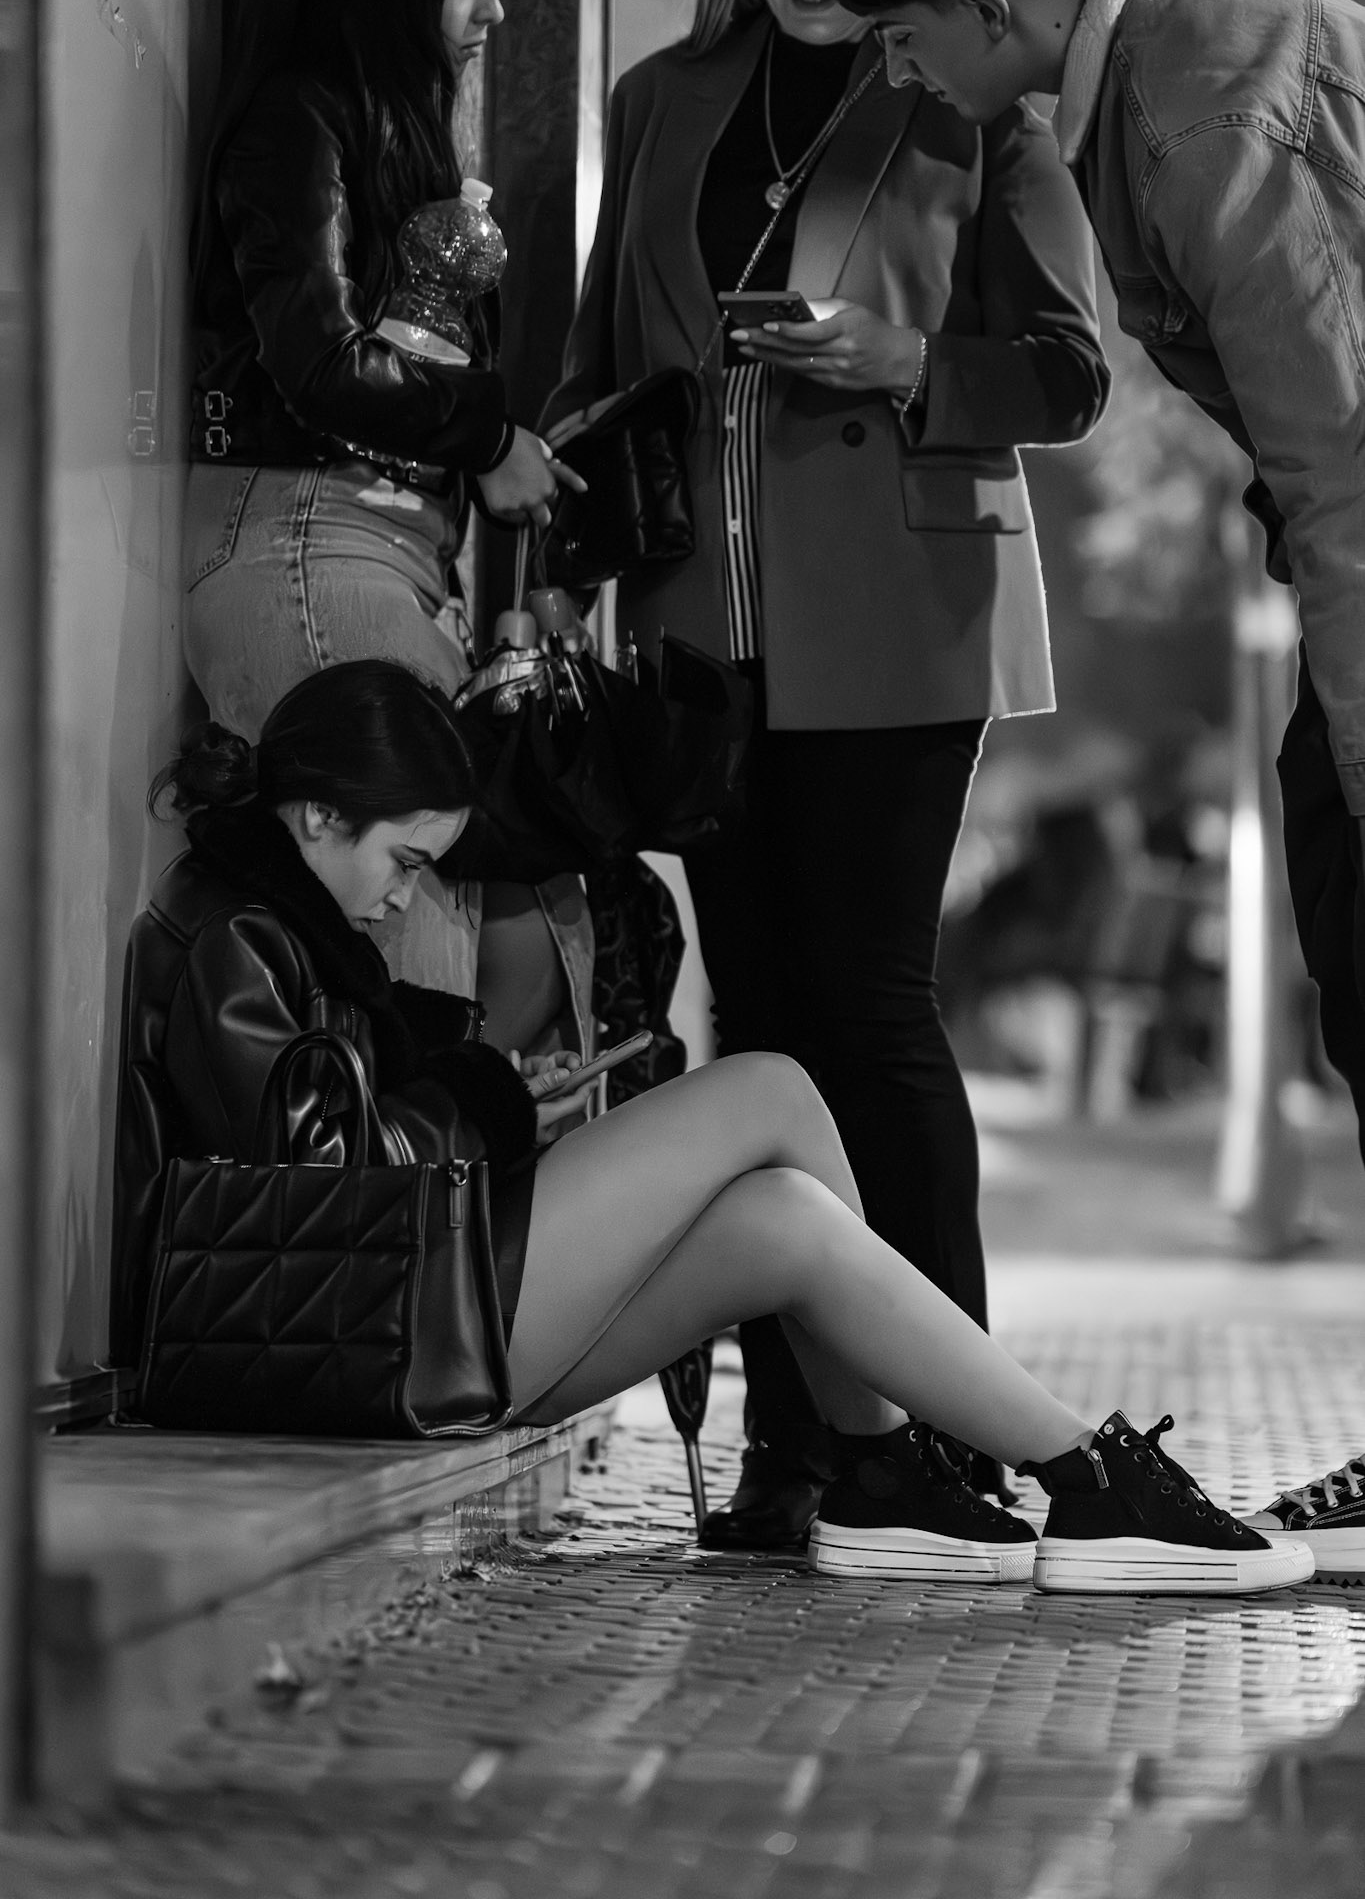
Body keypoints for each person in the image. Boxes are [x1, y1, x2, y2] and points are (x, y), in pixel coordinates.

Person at [111, 659, 1313, 1597]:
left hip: (397, 1322)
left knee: (779, 1218)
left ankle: (898, 1472)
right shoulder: (231, 937)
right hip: (370, 1330)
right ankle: (1062, 1470)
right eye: (404, 858)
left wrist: (486, 1092)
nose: (402, 895)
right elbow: (323, 1195)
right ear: (319, 816)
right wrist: (479, 1096)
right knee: (770, 1088)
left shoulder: (271, 916)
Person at [542, 0, 1109, 1548]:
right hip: (701, 633)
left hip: (901, 621)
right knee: (758, 1031)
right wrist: (562, 557)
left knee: (869, 1012)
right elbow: (593, 360)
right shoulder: (662, 100)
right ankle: (808, 1447)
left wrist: (905, 361)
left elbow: (1071, 369)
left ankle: (946, 1435)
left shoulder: (967, 90)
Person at [827, 0, 1365, 1577]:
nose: (899, 73)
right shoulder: (1154, 73)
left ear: (992, 9)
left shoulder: (1195, 111)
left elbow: (1342, 462)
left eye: (905, 39)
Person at [184, 0, 592, 1061]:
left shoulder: (371, 119)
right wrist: (487, 435)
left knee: (444, 955)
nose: (496, 10)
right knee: (411, 972)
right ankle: (406, 1185)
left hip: (365, 545)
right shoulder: (298, 115)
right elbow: (317, 360)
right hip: (315, 535)